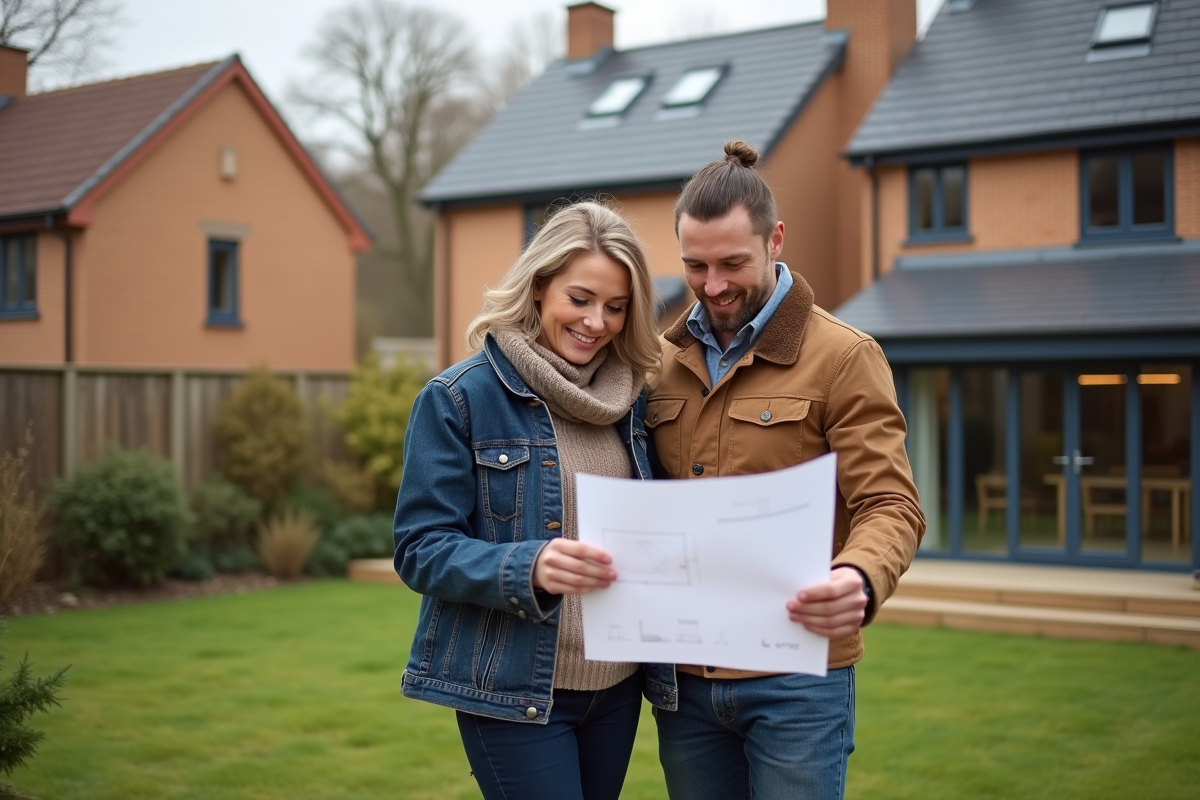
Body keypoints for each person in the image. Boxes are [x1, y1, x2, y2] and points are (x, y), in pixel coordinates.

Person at [645, 140, 926, 800]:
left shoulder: (844, 357)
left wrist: (858, 576)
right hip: (683, 681)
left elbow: (890, 503)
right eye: (695, 265)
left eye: (733, 263)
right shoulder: (655, 363)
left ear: (775, 240)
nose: (713, 285)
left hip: (798, 681)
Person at [393, 201, 674, 800]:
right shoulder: (459, 398)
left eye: (616, 307)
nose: (597, 322)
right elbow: (419, 549)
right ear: (540, 285)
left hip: (617, 688)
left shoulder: (634, 405)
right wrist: (530, 565)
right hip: (515, 690)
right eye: (580, 298)